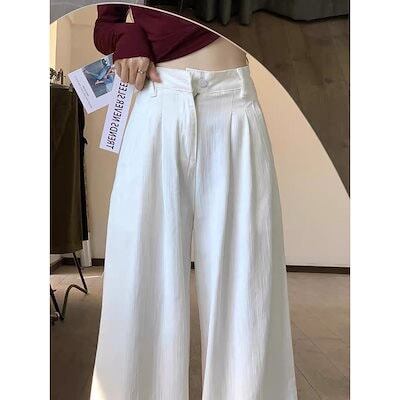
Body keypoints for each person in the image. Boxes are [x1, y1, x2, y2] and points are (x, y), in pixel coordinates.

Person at [89, 4, 298, 400]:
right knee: (138, 282)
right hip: (158, 100)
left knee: (247, 284)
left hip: (233, 101)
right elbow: (106, 24)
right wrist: (127, 37)